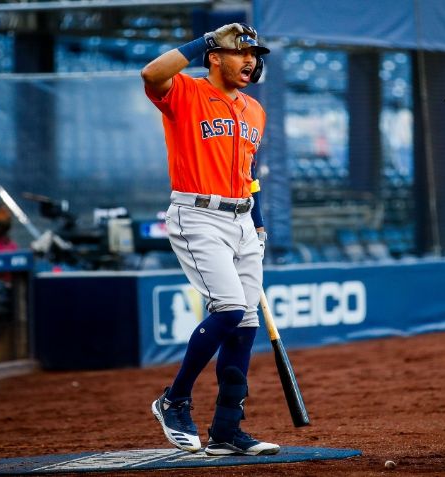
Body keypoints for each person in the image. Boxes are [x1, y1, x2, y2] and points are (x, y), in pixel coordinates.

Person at [141, 22, 278, 456]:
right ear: (215, 57)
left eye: (255, 55)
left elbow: (248, 173)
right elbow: (150, 74)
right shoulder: (185, 91)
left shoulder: (255, 110)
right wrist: (205, 39)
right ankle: (174, 399)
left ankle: (226, 430)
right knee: (230, 309)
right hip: (197, 214)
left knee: (247, 323)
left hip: (242, 221)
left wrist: (256, 221)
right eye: (242, 52)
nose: (251, 60)